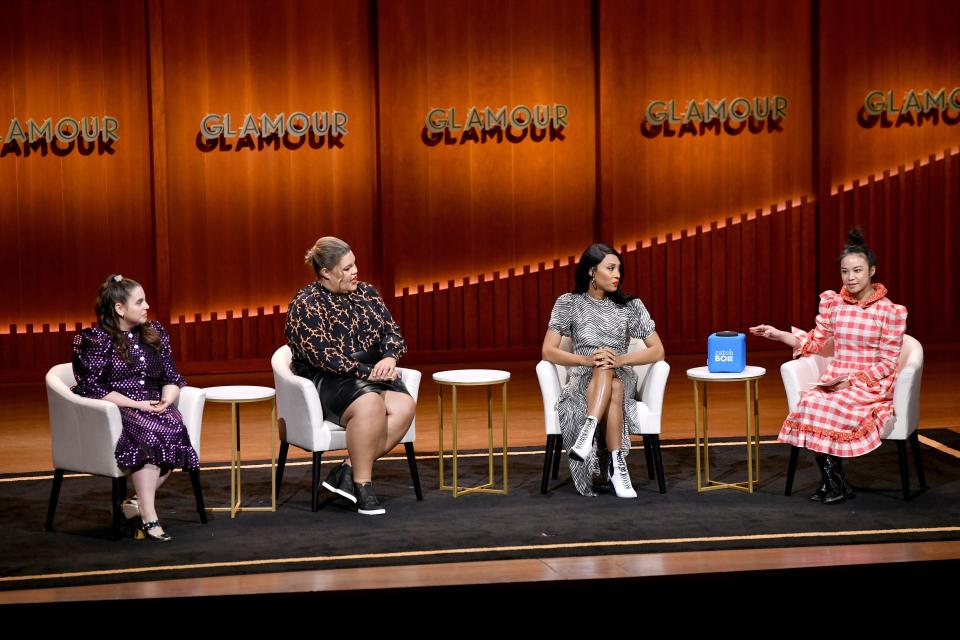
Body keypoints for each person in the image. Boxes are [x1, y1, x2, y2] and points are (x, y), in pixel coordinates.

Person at [750, 228, 908, 505]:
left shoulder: (890, 311)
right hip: (836, 377)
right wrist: (777, 334)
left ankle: (833, 483)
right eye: (846, 272)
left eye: (858, 271)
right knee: (811, 400)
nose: (851, 277)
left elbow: (888, 362)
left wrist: (854, 381)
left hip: (869, 381)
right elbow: (814, 341)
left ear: (872, 271)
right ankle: (835, 480)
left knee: (832, 405)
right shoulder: (834, 304)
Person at [285, 236, 416, 515]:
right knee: (371, 405)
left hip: (370, 373)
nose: (355, 272)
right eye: (346, 268)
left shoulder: (367, 293)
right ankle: (363, 485)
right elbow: (324, 357)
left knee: (405, 406)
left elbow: (391, 331)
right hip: (329, 377)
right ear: (325, 272)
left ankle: (346, 470)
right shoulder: (306, 303)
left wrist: (389, 356)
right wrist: (368, 371)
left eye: (354, 264)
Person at [72, 275, 198, 541]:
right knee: (150, 436)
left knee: (174, 428)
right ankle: (150, 518)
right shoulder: (94, 340)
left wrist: (166, 399)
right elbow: (91, 387)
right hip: (118, 407)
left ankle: (135, 504)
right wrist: (136, 404)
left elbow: (171, 376)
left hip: (152, 403)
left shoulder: (155, 333)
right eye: (139, 301)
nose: (147, 306)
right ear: (119, 308)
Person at [541, 243, 665, 497]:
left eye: (619, 268)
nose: (617, 274)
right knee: (608, 378)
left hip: (621, 371)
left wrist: (619, 360)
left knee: (610, 369)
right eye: (610, 268)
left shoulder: (630, 305)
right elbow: (548, 351)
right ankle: (618, 468)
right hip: (583, 376)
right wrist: (588, 361)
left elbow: (657, 351)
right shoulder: (569, 303)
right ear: (591, 271)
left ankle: (587, 434)